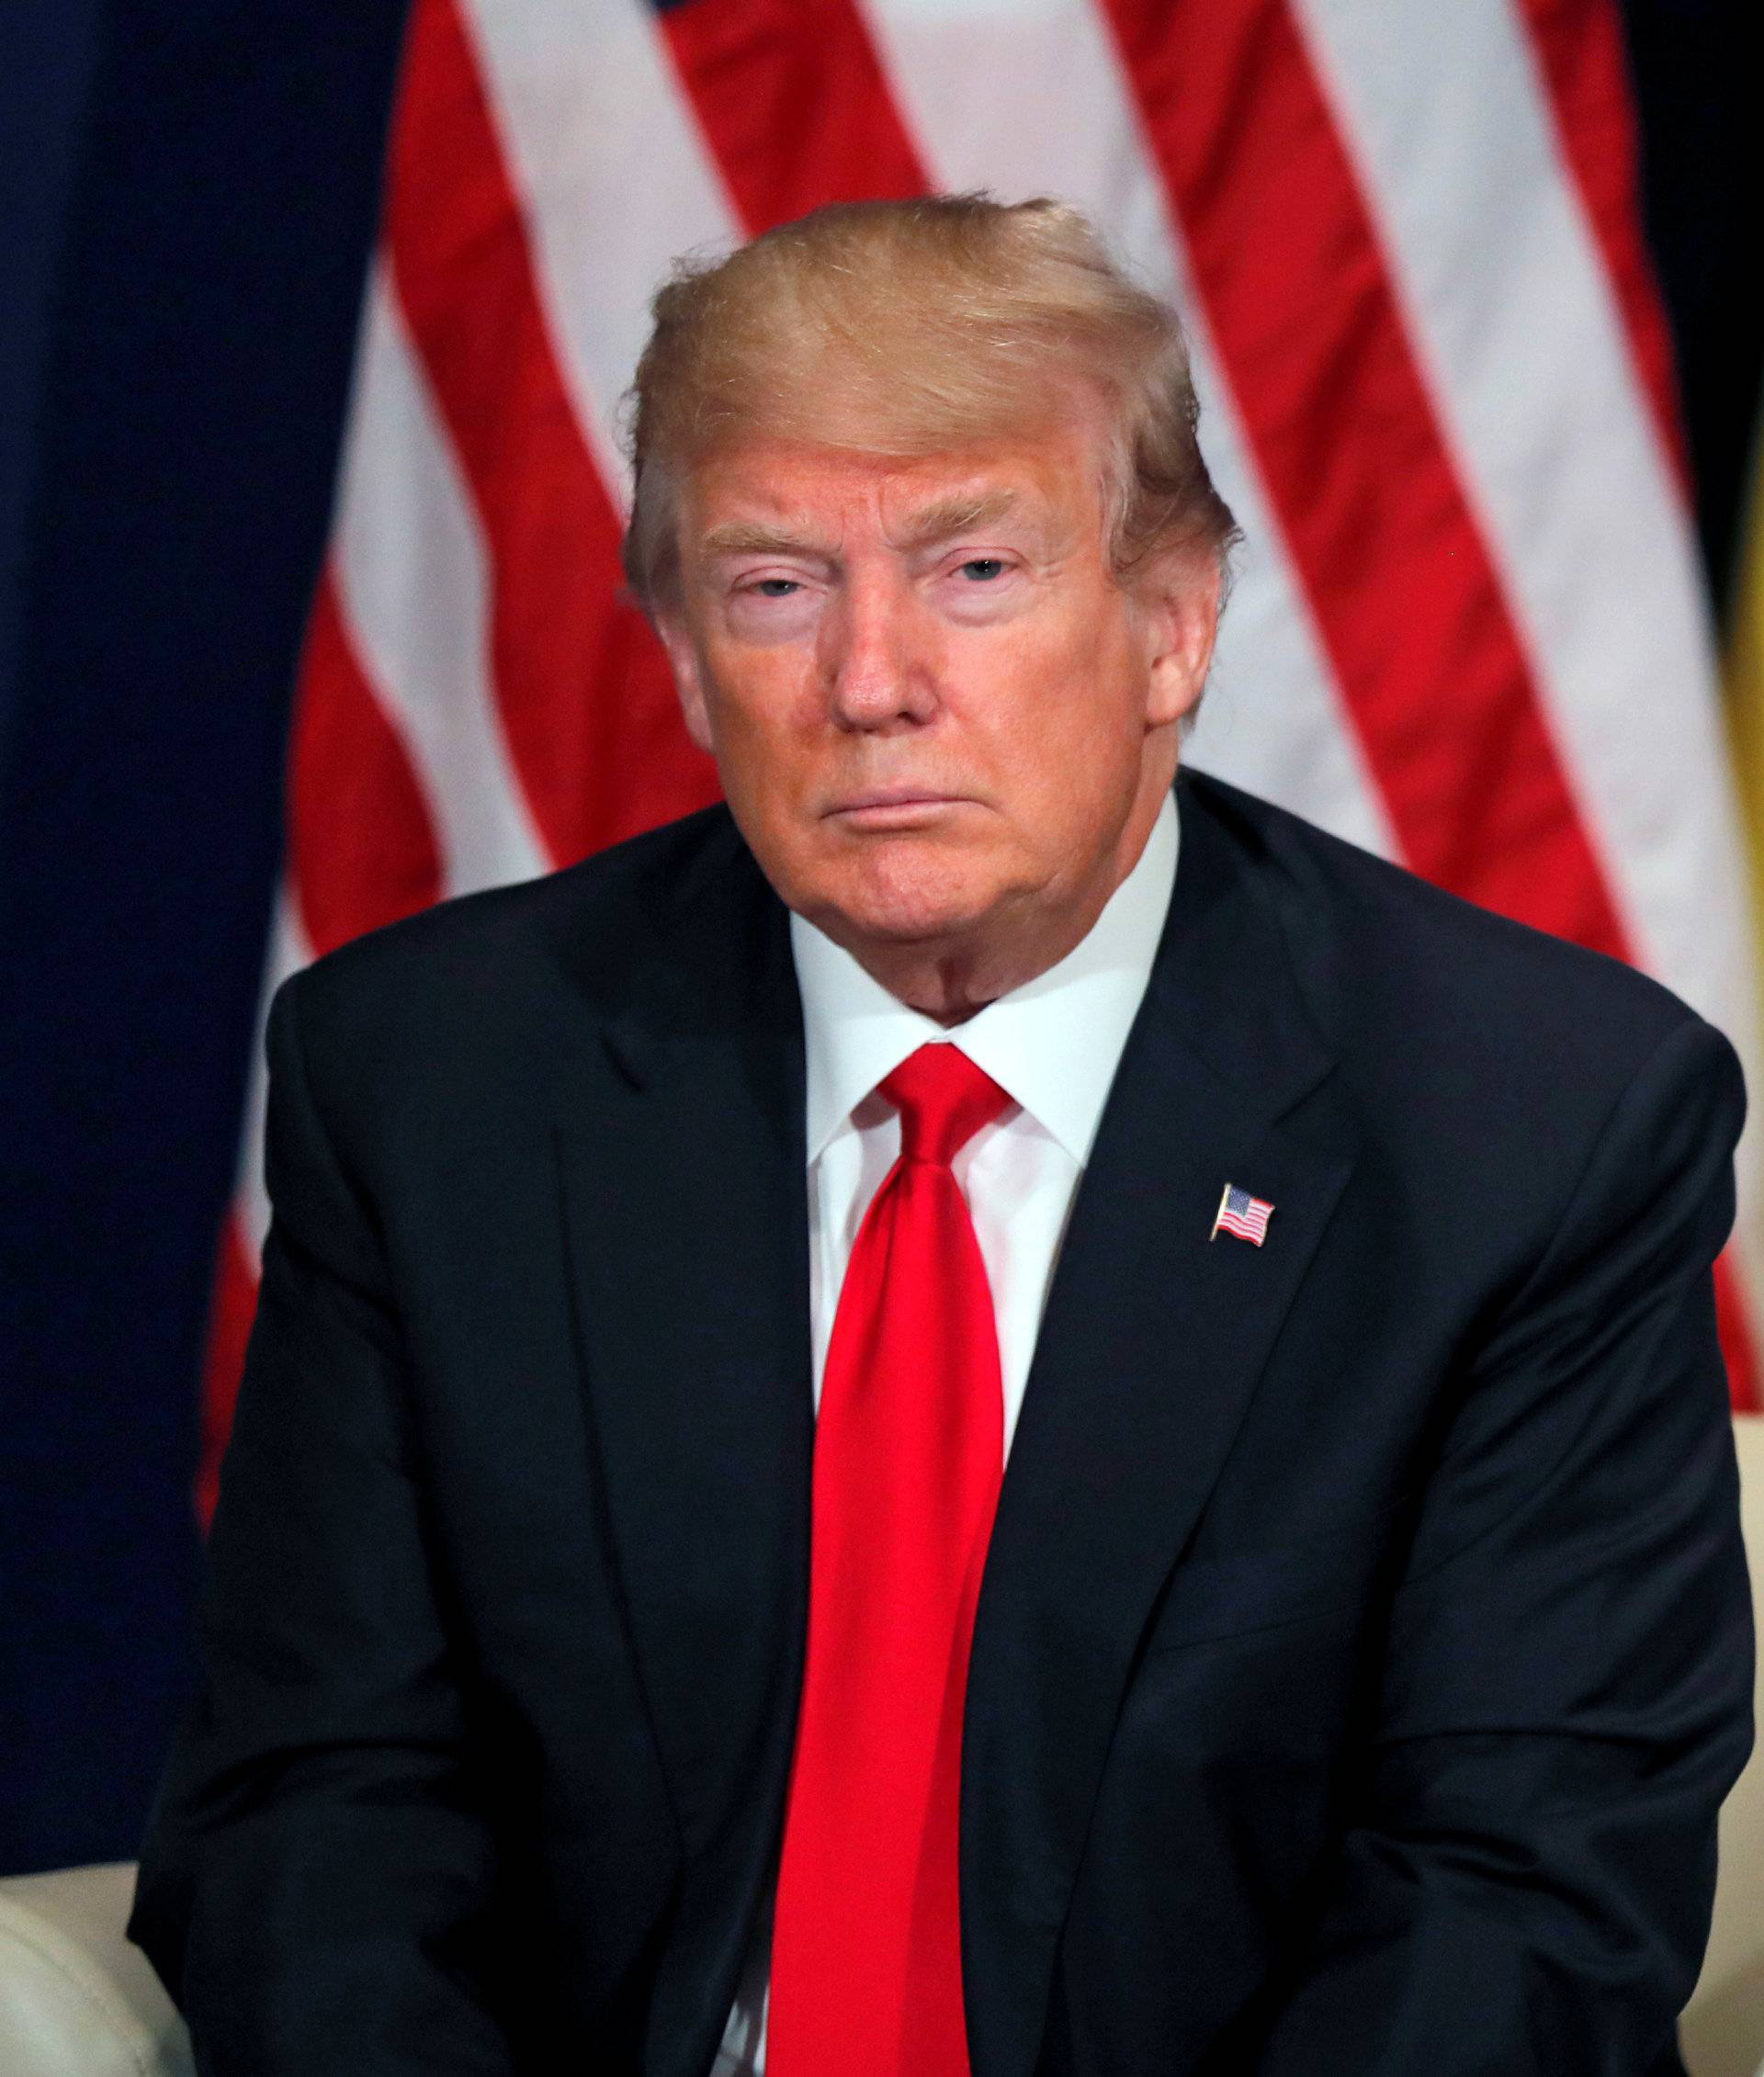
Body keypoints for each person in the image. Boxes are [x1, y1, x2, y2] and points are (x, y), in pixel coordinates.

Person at [130, 196, 1754, 2077]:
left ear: (1171, 627)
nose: (873, 680)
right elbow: (314, 1815)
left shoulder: (1527, 1126)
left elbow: (1525, 1894)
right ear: (678, 658)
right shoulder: (437, 1082)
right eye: (772, 586)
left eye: (975, 570)